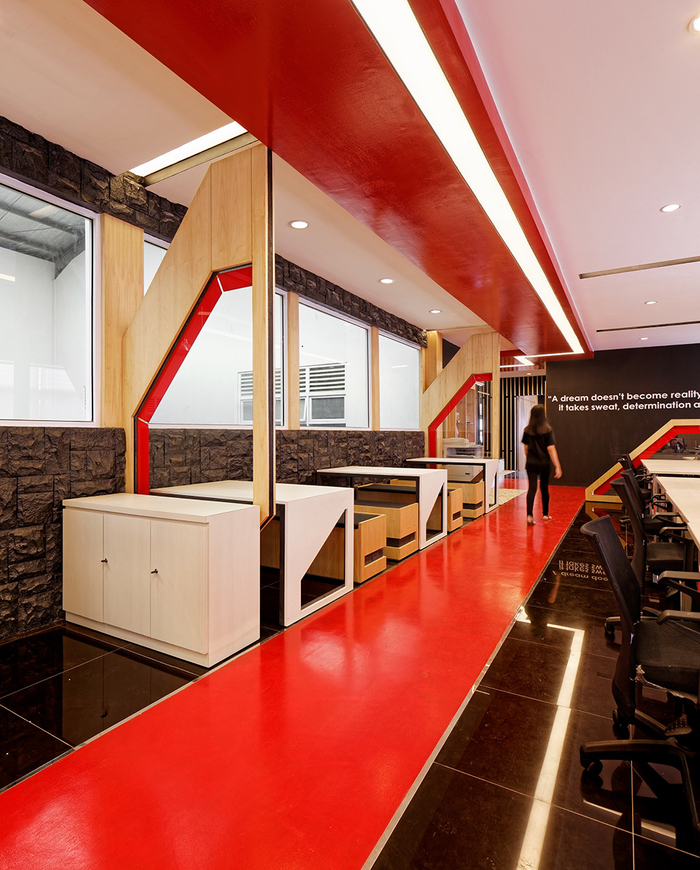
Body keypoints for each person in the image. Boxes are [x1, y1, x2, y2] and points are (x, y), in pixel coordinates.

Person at [521, 404, 562, 526]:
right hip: (544, 463)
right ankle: (545, 514)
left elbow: (526, 448)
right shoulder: (548, 430)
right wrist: (557, 466)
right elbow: (551, 449)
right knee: (544, 488)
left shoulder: (527, 430)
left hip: (531, 463)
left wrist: (531, 458)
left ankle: (529, 515)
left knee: (532, 489)